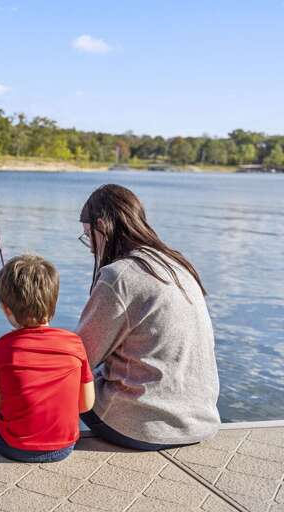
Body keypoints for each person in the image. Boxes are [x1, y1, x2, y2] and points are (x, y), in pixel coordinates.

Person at [76, 184, 220, 450]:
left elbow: (79, 359)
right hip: (200, 421)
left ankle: (25, 434)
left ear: (101, 226)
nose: (91, 249)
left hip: (142, 427)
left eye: (88, 236)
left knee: (62, 376)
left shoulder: (119, 276)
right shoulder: (177, 265)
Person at [0, 254, 95, 463]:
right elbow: (86, 404)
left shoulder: (1, 348)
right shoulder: (74, 343)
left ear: (6, 309)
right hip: (65, 446)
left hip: (15, 447)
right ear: (54, 301)